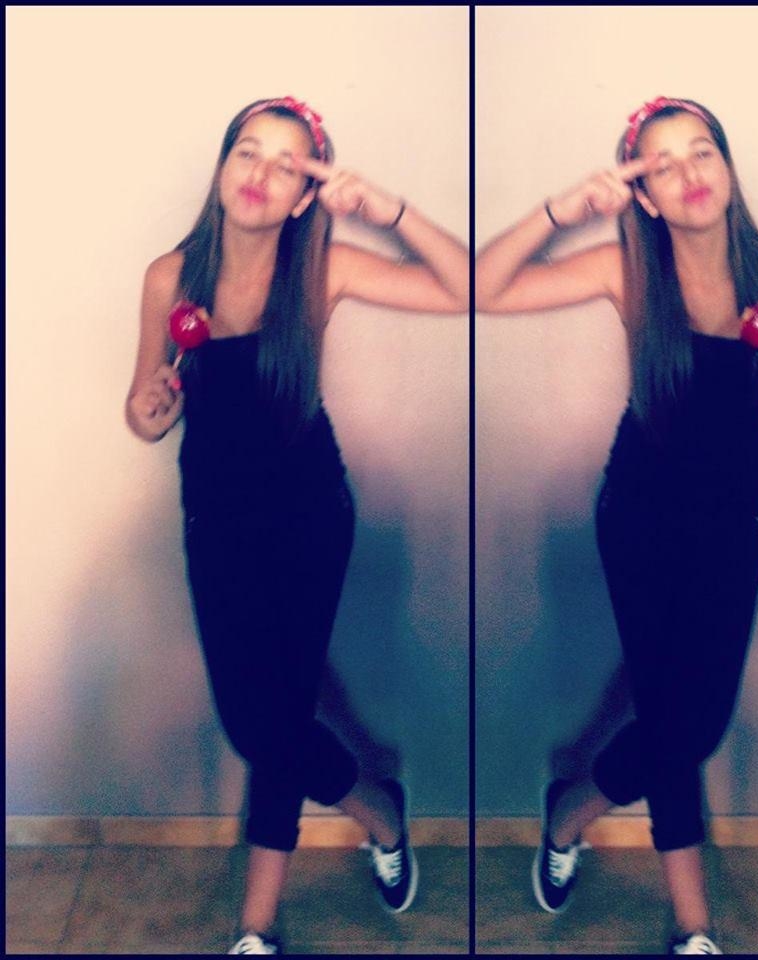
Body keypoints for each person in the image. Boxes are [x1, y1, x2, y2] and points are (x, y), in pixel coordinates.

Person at [476, 96, 758, 955]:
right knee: (671, 715)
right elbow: (481, 286)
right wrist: (565, 209)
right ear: (643, 194)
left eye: (701, 152)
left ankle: (570, 812)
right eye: (661, 165)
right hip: (640, 515)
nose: (687, 174)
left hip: (733, 516)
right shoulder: (627, 270)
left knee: (692, 723)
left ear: (727, 166)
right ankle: (693, 926)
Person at [126, 96, 468, 956]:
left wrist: (384, 209)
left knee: (279, 711)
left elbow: (469, 286)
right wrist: (152, 407)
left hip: (310, 515)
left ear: (307, 193)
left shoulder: (322, 270)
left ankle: (257, 926)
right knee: (258, 723)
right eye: (249, 151)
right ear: (222, 166)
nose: (262, 174)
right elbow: (142, 409)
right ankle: (379, 811)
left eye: (288, 164)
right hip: (216, 516)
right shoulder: (171, 278)